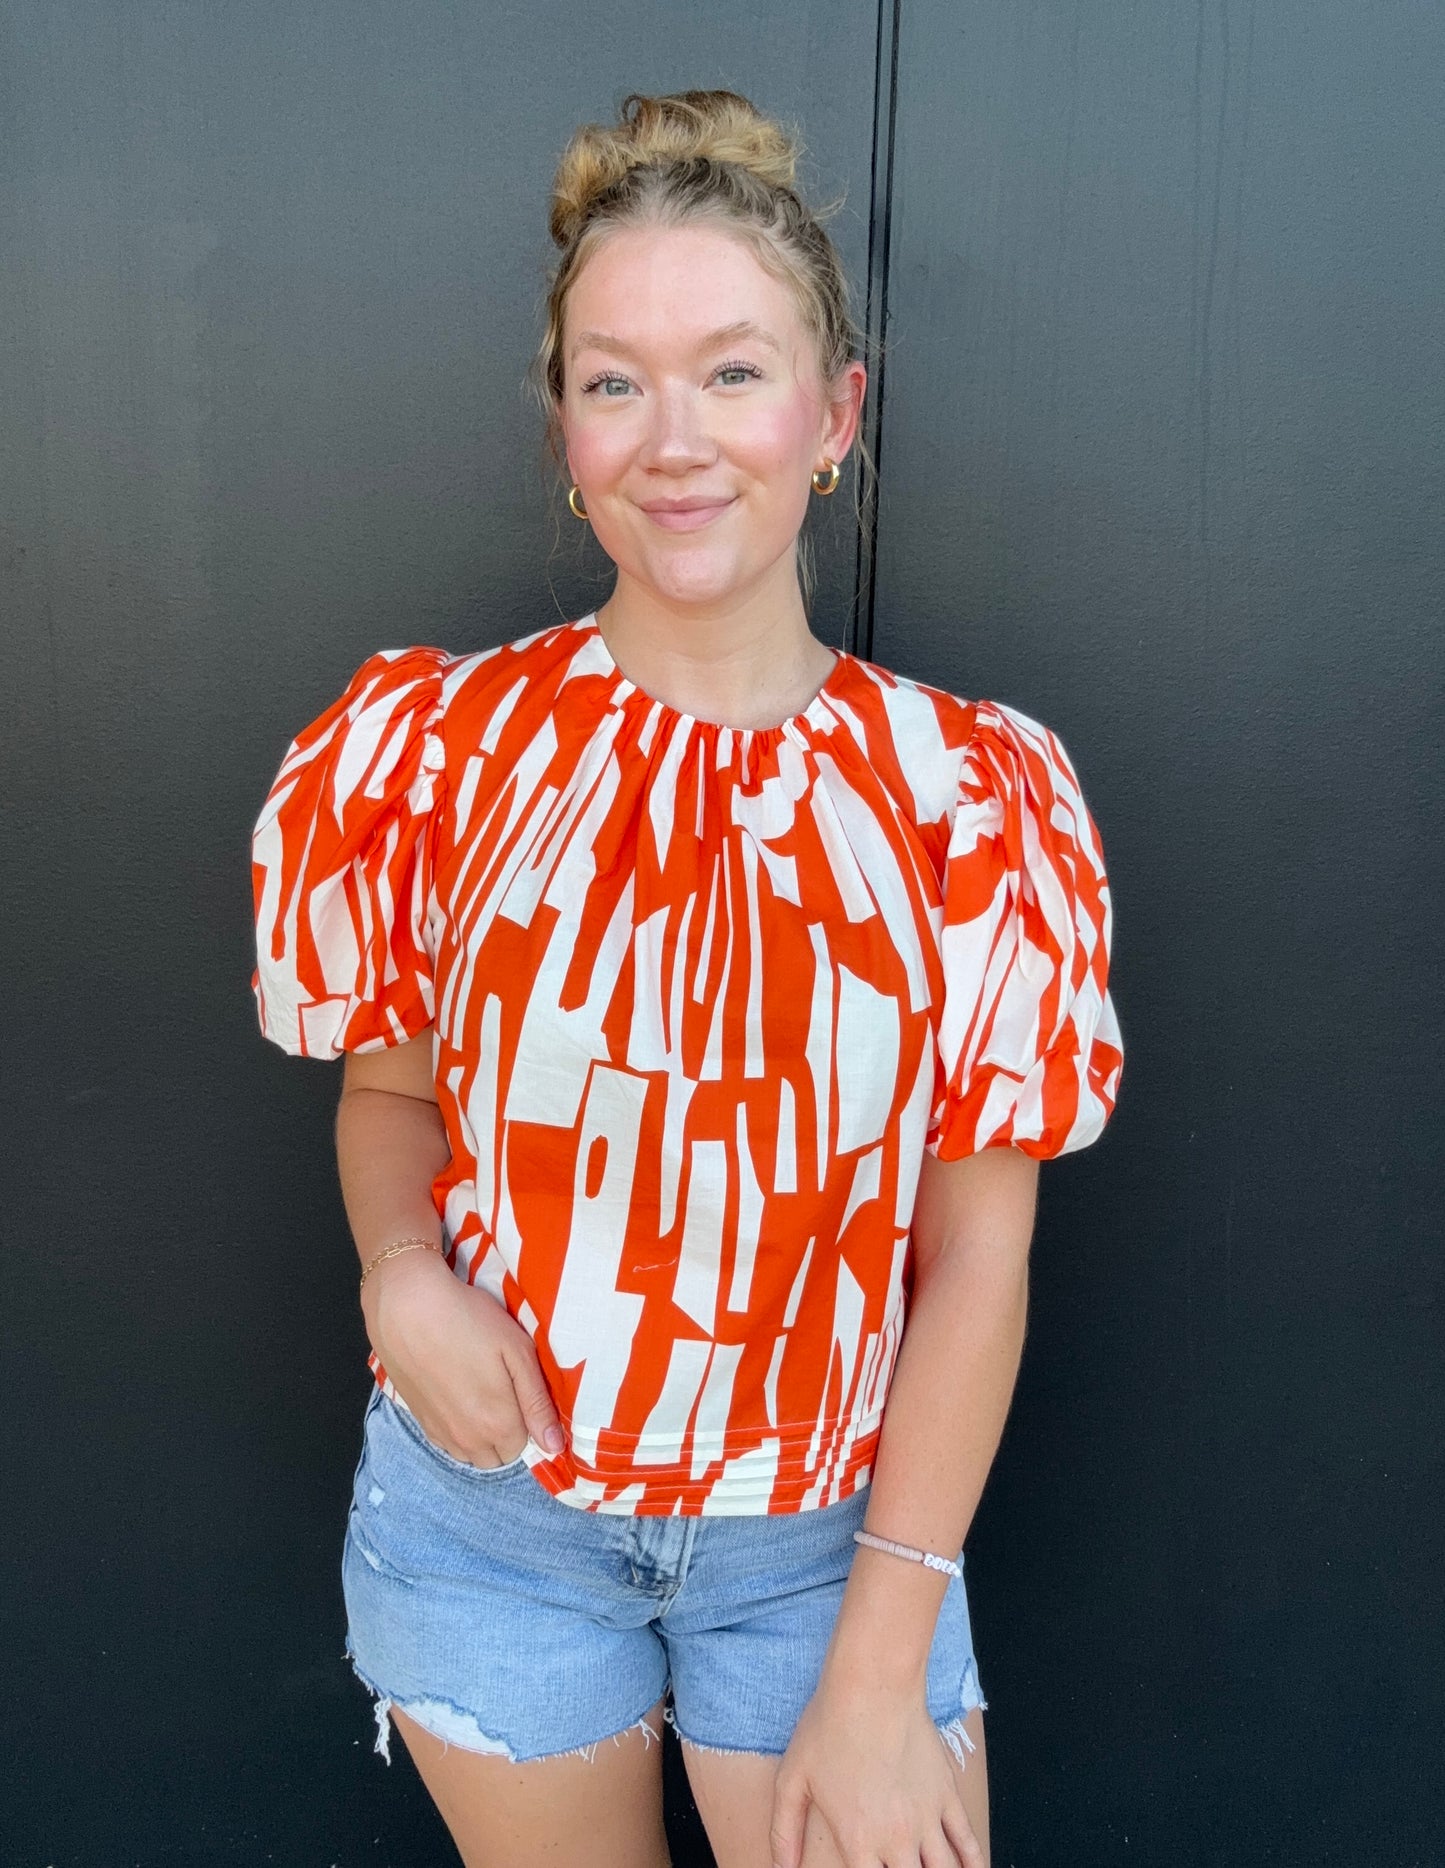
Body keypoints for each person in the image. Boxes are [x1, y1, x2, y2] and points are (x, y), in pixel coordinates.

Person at [250, 88, 1122, 1868]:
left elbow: (981, 1250)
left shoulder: (972, 799)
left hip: (833, 1543)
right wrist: (403, 1272)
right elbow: (392, 1094)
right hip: (489, 1524)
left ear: (834, 416)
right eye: (612, 379)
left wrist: (880, 1665)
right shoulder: (432, 754)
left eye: (733, 370)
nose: (674, 437)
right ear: (562, 426)